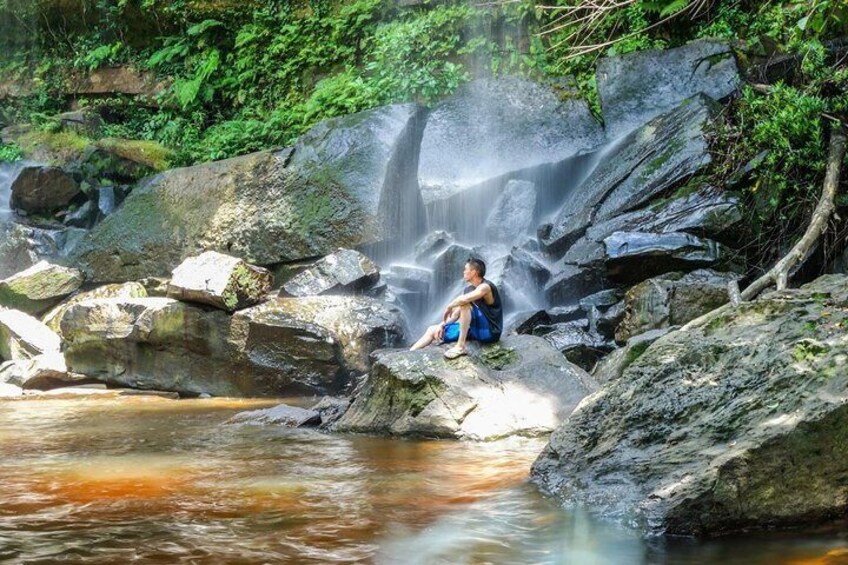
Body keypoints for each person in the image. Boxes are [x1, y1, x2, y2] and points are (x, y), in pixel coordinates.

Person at [410, 256, 503, 359]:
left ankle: (460, 346)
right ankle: (409, 354)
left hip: (489, 332)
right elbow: (455, 315)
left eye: (465, 269)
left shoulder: (485, 287)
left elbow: (463, 301)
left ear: (474, 272)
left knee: (464, 304)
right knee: (432, 329)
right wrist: (442, 325)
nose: (463, 272)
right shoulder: (468, 289)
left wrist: (449, 306)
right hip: (474, 330)